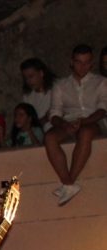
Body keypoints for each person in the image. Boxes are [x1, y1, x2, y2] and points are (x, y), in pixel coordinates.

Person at [44, 44, 107, 206]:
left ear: (91, 64)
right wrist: (65, 124)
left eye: (86, 62)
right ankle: (68, 183)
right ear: (72, 62)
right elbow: (55, 113)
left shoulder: (101, 82)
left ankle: (68, 182)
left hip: (92, 121)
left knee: (85, 132)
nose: (82, 66)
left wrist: (83, 121)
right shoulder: (61, 85)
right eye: (79, 62)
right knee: (49, 137)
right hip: (69, 121)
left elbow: (102, 109)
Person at [20, 57, 56, 124]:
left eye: (31, 76)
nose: (28, 81)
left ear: (41, 73)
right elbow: (31, 124)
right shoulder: (28, 96)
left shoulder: (57, 87)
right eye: (25, 78)